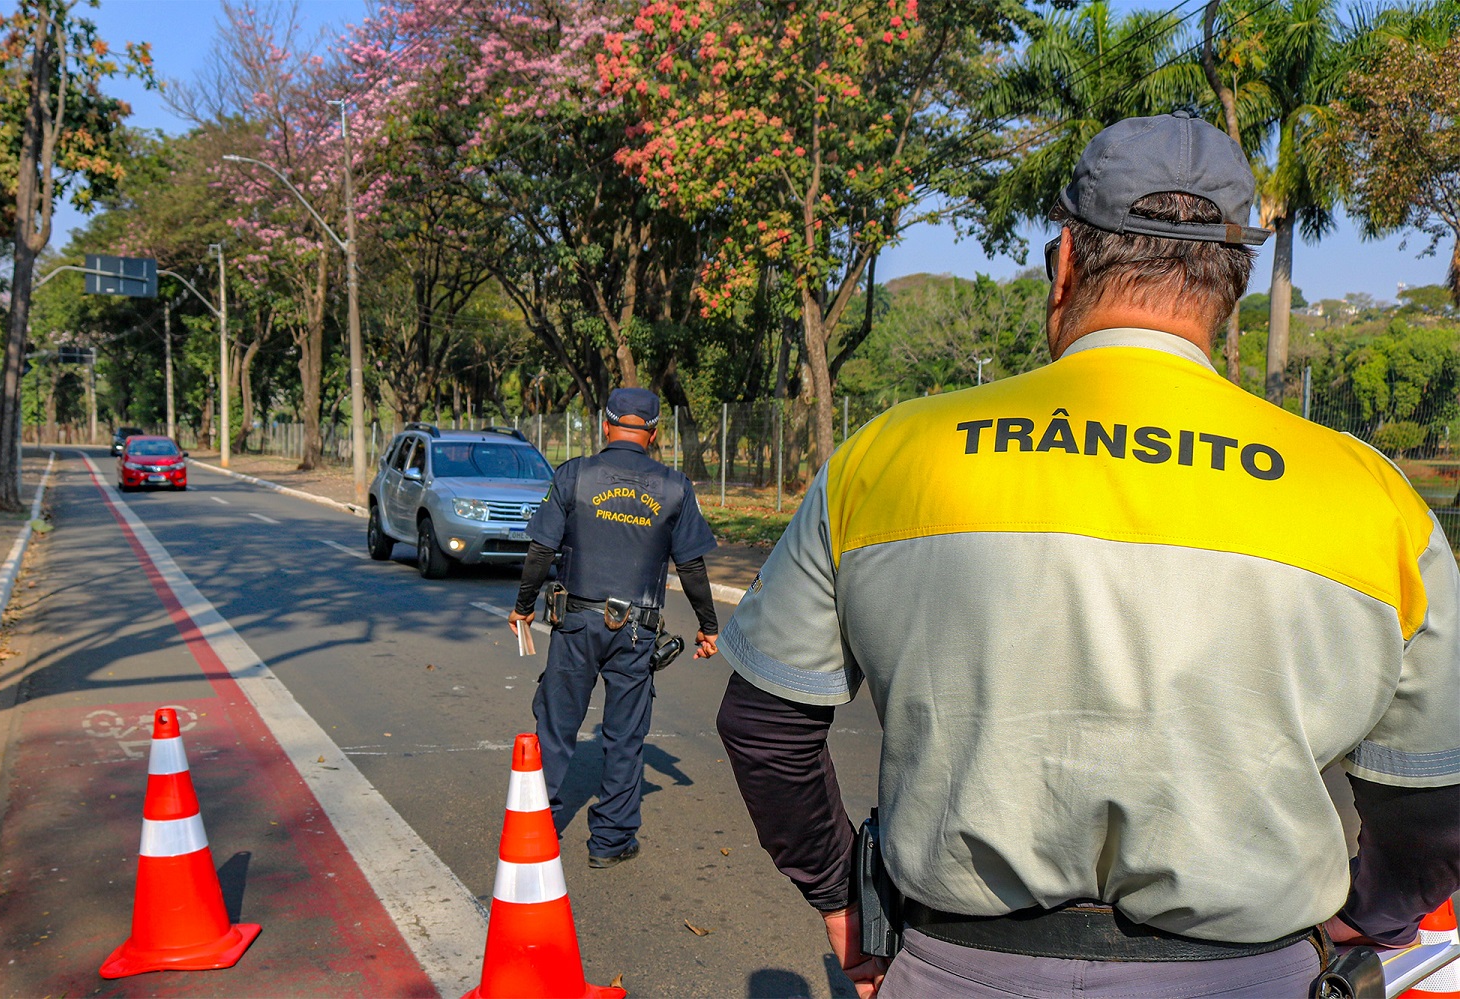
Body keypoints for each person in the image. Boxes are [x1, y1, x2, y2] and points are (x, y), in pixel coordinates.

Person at [715, 111, 1460, 997]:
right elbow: (1437, 795)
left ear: (1065, 260)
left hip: (956, 968)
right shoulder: (1371, 497)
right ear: (1231, 287)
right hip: (1248, 976)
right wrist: (1371, 914)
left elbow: (765, 726)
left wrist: (841, 892)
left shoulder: (888, 455)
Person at [509, 387, 720, 868]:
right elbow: (691, 566)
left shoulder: (574, 475)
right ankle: (609, 842)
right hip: (637, 633)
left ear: (605, 425)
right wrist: (708, 627)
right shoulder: (674, 487)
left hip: (575, 625)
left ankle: (539, 829)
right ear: (654, 433)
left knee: (556, 726)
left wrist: (523, 606)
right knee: (625, 736)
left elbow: (541, 550)